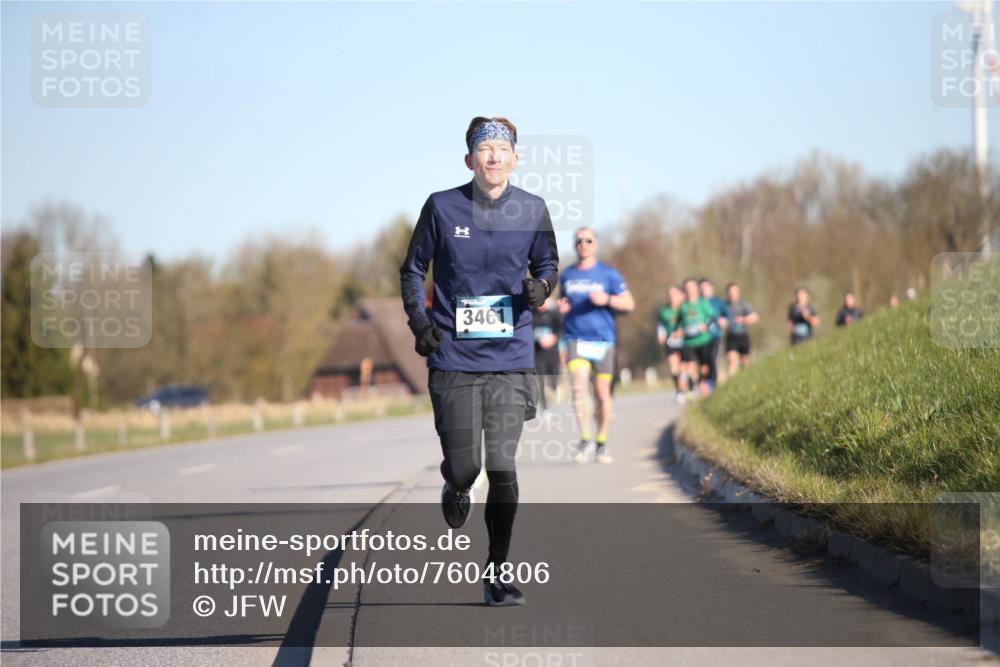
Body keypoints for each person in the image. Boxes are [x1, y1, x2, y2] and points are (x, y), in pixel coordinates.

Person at [399, 116, 558, 607]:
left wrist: (543, 287)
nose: (493, 156)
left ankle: (497, 571)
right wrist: (420, 325)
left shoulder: (532, 208)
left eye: (501, 148)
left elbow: (548, 264)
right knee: (467, 468)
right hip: (453, 356)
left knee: (503, 465)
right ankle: (455, 484)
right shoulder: (442, 207)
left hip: (510, 357)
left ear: (515, 158)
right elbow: (412, 270)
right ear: (469, 160)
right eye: (483, 149)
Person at [558, 226, 634, 464]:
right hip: (575, 339)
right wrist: (562, 308)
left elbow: (629, 304)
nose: (583, 244)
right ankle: (585, 438)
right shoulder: (567, 275)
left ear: (596, 245)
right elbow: (564, 302)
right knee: (578, 390)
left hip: (603, 341)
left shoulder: (608, 274)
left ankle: (601, 441)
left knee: (602, 394)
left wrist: (608, 299)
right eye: (578, 240)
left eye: (588, 240)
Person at [676, 277, 717, 395]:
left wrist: (706, 326)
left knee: (704, 367)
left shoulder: (703, 303)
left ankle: (703, 385)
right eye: (687, 288)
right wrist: (678, 330)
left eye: (691, 288)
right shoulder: (683, 306)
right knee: (688, 365)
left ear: (696, 289)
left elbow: (713, 317)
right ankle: (691, 387)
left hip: (703, 339)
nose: (689, 290)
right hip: (688, 342)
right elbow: (678, 323)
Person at [532, 295, 562, 417]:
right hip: (537, 352)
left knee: (553, 379)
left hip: (552, 352)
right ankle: (545, 409)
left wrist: (554, 338)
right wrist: (537, 340)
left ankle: (554, 388)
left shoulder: (553, 314)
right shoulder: (531, 314)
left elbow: (560, 329)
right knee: (540, 381)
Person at [656, 285, 687, 404]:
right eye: (669, 295)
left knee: (684, 368)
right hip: (670, 341)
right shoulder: (664, 311)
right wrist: (660, 335)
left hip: (685, 341)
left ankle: (685, 389)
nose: (671, 297)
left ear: (681, 295)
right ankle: (679, 390)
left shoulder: (685, 308)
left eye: (674, 294)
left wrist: (682, 331)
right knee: (674, 368)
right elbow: (660, 325)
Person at [698, 278, 729, 389]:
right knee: (703, 363)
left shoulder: (717, 302)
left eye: (706, 287)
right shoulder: (697, 302)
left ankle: (713, 384)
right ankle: (704, 382)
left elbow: (727, 315)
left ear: (712, 288)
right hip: (700, 338)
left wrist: (724, 320)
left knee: (712, 359)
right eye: (702, 288)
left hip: (715, 336)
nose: (704, 290)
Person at [724, 282, 758, 375]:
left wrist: (743, 319)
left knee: (745, 362)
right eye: (730, 292)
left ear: (738, 292)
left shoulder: (744, 304)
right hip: (731, 336)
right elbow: (717, 317)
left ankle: (745, 380)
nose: (732, 294)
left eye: (734, 291)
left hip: (743, 335)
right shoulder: (724, 305)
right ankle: (730, 383)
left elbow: (755, 317)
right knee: (732, 361)